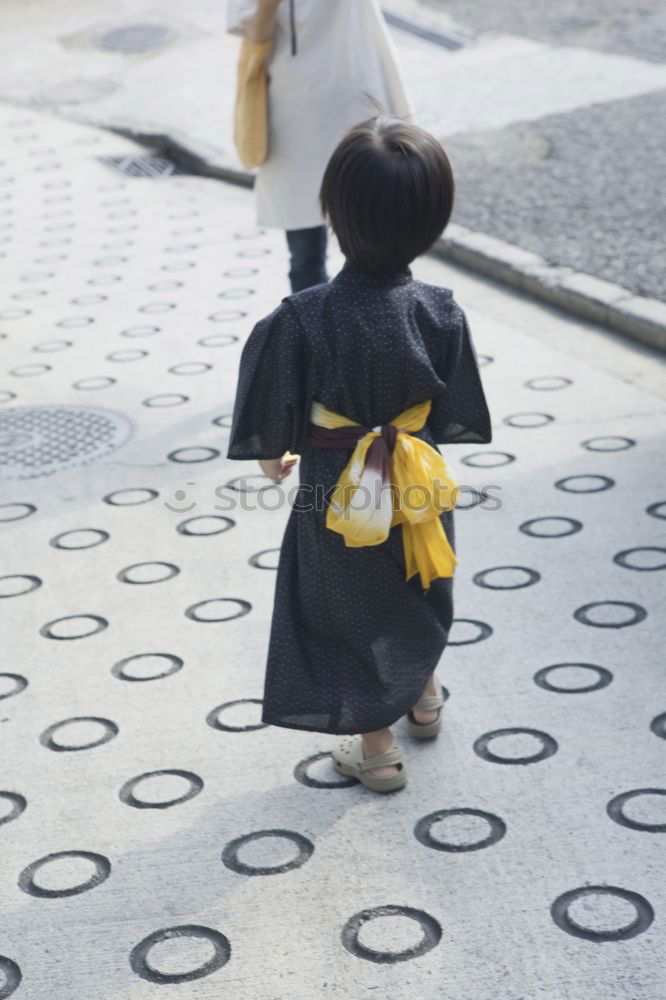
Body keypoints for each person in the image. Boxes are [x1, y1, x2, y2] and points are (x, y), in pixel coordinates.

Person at [228, 116, 491, 792]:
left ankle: (376, 749)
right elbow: (452, 413)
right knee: (417, 584)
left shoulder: (302, 317)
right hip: (416, 485)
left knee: (336, 607)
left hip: (334, 491)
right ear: (433, 221)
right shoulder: (440, 310)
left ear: (331, 210)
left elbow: (270, 422)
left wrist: (273, 462)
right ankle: (424, 696)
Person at [226, 0, 412, 292]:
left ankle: (371, 331)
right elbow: (254, 31)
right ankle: (316, 336)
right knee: (306, 256)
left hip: (353, 101)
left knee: (371, 242)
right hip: (294, 115)